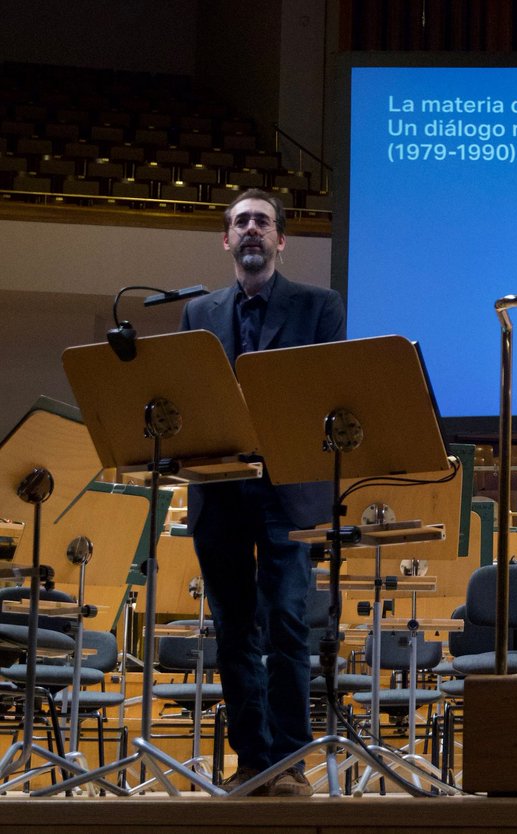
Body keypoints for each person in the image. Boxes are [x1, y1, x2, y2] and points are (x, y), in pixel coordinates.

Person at [180, 188, 345, 796]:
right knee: (234, 629)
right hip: (220, 491)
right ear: (227, 240)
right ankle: (251, 760)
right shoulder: (198, 313)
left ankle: (291, 761)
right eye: (241, 222)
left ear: (281, 240)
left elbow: (317, 387)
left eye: (263, 222)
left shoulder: (318, 306)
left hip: (286, 490)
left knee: (286, 625)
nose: (252, 230)